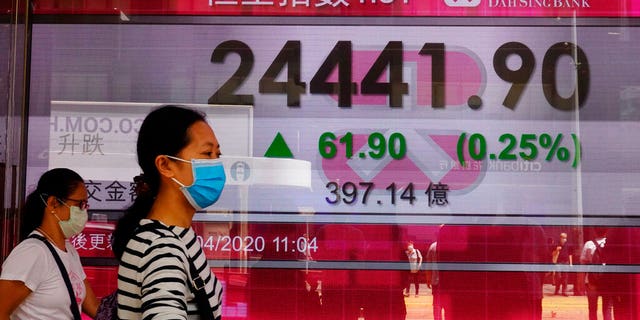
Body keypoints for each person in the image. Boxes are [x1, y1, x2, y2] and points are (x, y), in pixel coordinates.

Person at [112, 105, 224, 319]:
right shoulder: (162, 247)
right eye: (207, 153)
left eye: (217, 154)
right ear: (165, 165)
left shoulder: (176, 235)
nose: (216, 164)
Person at [0, 168, 99, 319]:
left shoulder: (70, 251)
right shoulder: (32, 252)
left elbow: (95, 308)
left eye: (86, 204)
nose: (84, 211)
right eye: (80, 204)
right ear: (53, 203)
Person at [580, 227, 613, 320]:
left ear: (594, 231)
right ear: (606, 232)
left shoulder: (588, 244)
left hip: (591, 282)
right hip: (607, 282)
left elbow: (583, 261)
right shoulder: (610, 244)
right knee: (607, 309)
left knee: (592, 309)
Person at [425, 241, 443, 320]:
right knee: (449, 307)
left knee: (437, 306)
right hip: (449, 283)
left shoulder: (433, 246)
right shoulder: (452, 244)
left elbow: (428, 264)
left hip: (436, 281)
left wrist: (428, 278)